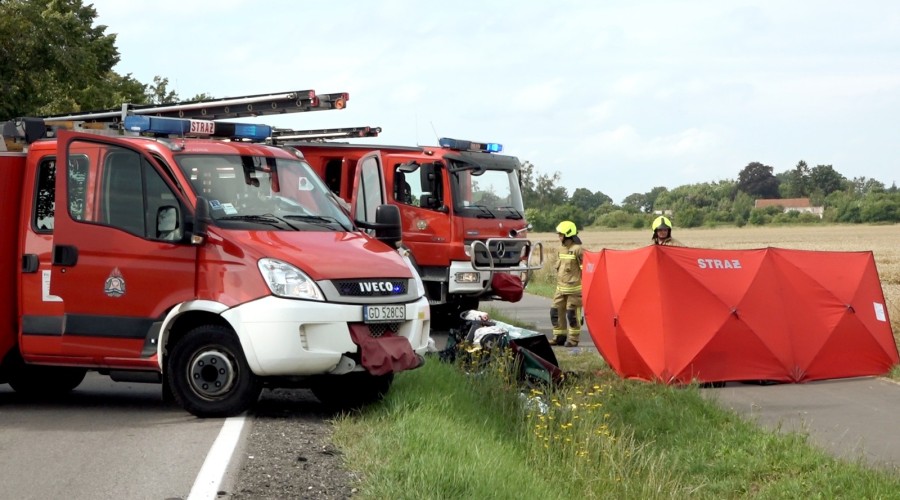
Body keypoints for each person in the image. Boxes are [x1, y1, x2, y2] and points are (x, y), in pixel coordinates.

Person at [550, 220, 584, 347]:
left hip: (574, 291)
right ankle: (559, 337)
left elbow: (585, 269)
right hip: (560, 289)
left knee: (572, 315)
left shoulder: (578, 250)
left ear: (568, 235)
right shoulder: (561, 249)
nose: (559, 237)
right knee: (555, 311)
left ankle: (573, 340)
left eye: (561, 234)